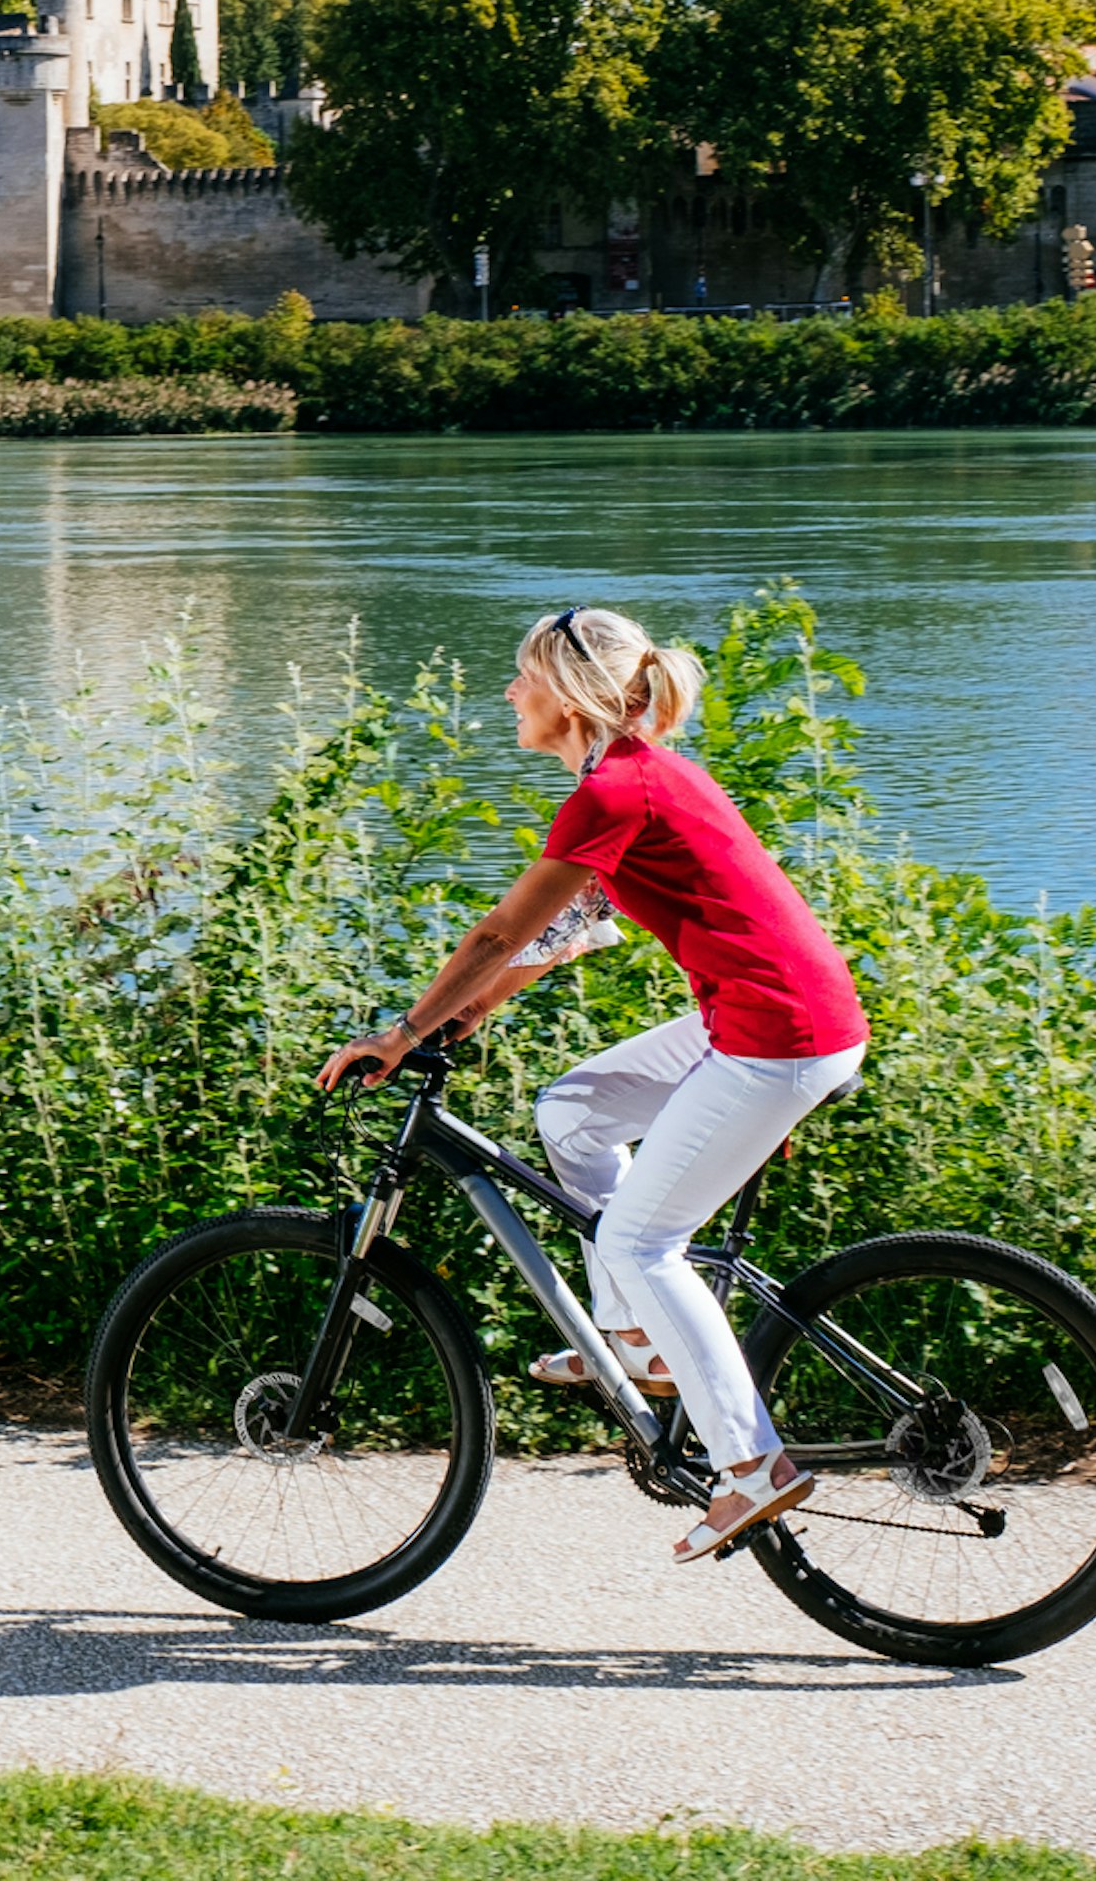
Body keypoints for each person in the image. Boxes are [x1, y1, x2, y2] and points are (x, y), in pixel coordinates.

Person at [315, 606, 869, 1565]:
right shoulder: (632, 778)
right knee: (572, 1108)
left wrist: (405, 1032)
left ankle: (753, 1467)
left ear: (565, 694)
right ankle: (636, 1341)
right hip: (757, 1017)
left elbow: (498, 932)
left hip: (777, 1034)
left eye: (520, 676)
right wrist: (471, 1012)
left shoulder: (615, 791)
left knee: (644, 1238)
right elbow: (576, 923)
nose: (509, 694)